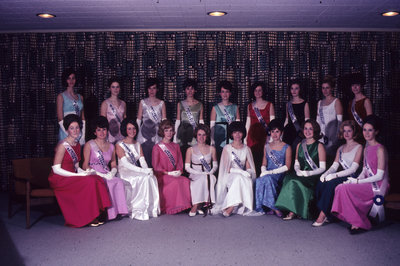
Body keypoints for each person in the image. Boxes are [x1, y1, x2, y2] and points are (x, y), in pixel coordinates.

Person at [48, 114, 111, 227]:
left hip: (71, 175)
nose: (75, 130)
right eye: (72, 128)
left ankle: (99, 211)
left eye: (77, 127)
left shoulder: (77, 144)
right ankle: (89, 216)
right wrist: (78, 176)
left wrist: (85, 173)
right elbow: (56, 169)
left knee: (96, 178)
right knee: (89, 182)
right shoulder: (63, 145)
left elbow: (76, 166)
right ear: (67, 129)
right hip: (60, 178)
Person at [332, 115, 389, 234]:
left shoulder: (380, 149)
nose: (366, 133)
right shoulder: (366, 148)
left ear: (376, 132)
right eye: (364, 129)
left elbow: (379, 176)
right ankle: (356, 220)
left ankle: (360, 223)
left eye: (370, 130)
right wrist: (354, 180)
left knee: (343, 189)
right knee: (340, 188)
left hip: (378, 185)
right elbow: (364, 170)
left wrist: (358, 182)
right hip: (367, 181)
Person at [313, 120, 362, 227]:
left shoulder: (359, 147)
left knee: (331, 184)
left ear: (354, 132)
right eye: (344, 131)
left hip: (352, 177)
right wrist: (325, 174)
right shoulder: (341, 148)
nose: (346, 134)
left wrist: (334, 175)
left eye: (349, 131)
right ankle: (328, 214)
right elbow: (334, 166)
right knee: (322, 183)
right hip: (341, 175)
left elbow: (353, 169)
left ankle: (323, 214)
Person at [275, 119, 326, 220]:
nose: (307, 131)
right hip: (301, 173)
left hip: (313, 176)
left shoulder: (319, 146)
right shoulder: (300, 145)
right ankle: (292, 208)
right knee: (288, 178)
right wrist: (297, 169)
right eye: (305, 129)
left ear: (315, 130)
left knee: (295, 181)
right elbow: (296, 162)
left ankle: (293, 211)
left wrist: (308, 173)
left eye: (310, 129)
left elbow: (322, 168)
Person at [83, 116, 129, 221]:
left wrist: (113, 172)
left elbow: (113, 163)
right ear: (94, 132)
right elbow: (85, 165)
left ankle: (118, 211)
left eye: (104, 129)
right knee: (109, 183)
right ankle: (109, 213)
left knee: (118, 182)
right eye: (98, 130)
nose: (102, 132)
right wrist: (98, 174)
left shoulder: (111, 146)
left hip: (106, 172)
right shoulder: (89, 145)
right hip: (94, 174)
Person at [116, 118, 160, 220]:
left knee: (150, 177)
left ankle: (150, 209)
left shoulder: (137, 144)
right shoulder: (119, 145)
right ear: (125, 130)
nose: (132, 131)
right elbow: (125, 164)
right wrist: (142, 171)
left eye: (134, 128)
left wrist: (146, 170)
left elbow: (142, 160)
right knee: (142, 178)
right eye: (129, 129)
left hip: (136, 170)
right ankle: (138, 209)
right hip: (125, 172)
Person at [212, 121, 256, 217]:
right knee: (238, 178)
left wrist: (247, 172)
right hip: (230, 175)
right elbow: (227, 169)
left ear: (243, 133)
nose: (237, 134)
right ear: (231, 134)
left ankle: (230, 206)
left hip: (242, 176)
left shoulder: (247, 149)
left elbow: (249, 167)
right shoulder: (227, 148)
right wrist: (241, 172)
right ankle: (231, 206)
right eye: (235, 132)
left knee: (244, 179)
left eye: (239, 132)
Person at [152, 119, 191, 214]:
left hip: (174, 174)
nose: (169, 133)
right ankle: (174, 207)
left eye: (170, 130)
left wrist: (179, 171)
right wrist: (168, 173)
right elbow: (156, 166)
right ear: (162, 132)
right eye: (166, 130)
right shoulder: (157, 147)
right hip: (162, 175)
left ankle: (185, 206)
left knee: (185, 180)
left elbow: (180, 163)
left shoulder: (176, 146)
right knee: (176, 182)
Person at [255, 119, 292, 217]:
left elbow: (287, 167)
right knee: (259, 180)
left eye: (277, 131)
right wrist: (263, 171)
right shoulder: (267, 146)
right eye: (272, 131)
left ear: (281, 132)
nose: (275, 134)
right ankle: (269, 207)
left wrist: (270, 172)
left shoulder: (287, 147)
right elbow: (264, 162)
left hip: (280, 174)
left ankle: (274, 208)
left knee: (267, 178)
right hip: (268, 174)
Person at [185, 124, 218, 216]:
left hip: (208, 173)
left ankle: (197, 205)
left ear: (207, 136)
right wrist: (199, 173)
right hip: (195, 174)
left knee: (210, 178)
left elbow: (215, 165)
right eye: (199, 134)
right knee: (201, 179)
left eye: (204, 135)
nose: (201, 137)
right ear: (196, 135)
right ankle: (198, 205)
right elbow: (187, 167)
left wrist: (211, 171)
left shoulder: (212, 149)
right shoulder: (190, 149)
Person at [245, 82, 275, 176]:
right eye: (255, 90)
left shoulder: (270, 105)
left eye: (260, 90)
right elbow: (248, 123)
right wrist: (245, 137)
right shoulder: (250, 106)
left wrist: (271, 137)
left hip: (265, 136)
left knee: (264, 157)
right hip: (252, 137)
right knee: (252, 158)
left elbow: (272, 122)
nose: (257, 92)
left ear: (263, 91)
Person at [136, 78, 167, 167]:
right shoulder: (143, 102)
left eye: (154, 88)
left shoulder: (161, 103)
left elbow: (164, 120)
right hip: (144, 132)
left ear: (157, 89)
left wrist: (164, 133)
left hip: (157, 132)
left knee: (157, 155)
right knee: (144, 154)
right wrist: (135, 133)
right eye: (150, 88)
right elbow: (139, 119)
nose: (151, 90)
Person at [210, 80, 240, 159]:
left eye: (227, 92)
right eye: (223, 92)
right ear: (220, 93)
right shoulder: (215, 108)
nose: (225, 94)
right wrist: (212, 141)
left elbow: (238, 127)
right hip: (219, 140)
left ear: (230, 93)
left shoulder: (235, 107)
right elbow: (212, 127)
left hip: (232, 139)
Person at [174, 79, 204, 155]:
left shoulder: (200, 104)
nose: (190, 91)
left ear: (195, 90)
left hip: (194, 134)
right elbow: (178, 121)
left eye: (192, 89)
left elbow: (201, 122)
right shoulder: (180, 104)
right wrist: (175, 137)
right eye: (188, 89)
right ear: (185, 90)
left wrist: (201, 135)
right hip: (182, 134)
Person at [316, 75, 343, 159]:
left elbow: (340, 121)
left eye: (327, 88)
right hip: (321, 135)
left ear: (332, 88)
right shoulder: (319, 102)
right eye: (323, 88)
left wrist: (336, 136)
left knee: (330, 158)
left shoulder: (336, 101)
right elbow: (318, 120)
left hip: (332, 135)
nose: (325, 90)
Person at [57, 69, 86, 144]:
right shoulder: (61, 96)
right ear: (65, 80)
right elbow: (60, 119)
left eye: (73, 78)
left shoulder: (80, 97)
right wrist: (69, 133)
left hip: (78, 131)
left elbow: (82, 118)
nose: (71, 80)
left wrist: (82, 135)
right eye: (69, 78)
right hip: (66, 132)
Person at [283, 79, 310, 151]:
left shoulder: (305, 103)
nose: (294, 91)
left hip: (300, 133)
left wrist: (306, 133)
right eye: (292, 88)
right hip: (288, 132)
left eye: (296, 88)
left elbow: (307, 121)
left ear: (300, 90)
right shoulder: (288, 104)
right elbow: (287, 119)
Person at [347, 73, 373, 141]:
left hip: (363, 134)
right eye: (353, 85)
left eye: (357, 85)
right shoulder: (350, 102)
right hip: (353, 134)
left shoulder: (366, 101)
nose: (355, 87)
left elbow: (370, 121)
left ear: (361, 86)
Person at [100, 77, 126, 144]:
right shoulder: (105, 103)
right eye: (113, 87)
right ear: (109, 88)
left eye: (117, 87)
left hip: (122, 135)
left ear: (120, 88)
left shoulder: (123, 103)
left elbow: (125, 120)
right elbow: (102, 123)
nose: (115, 89)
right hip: (110, 135)